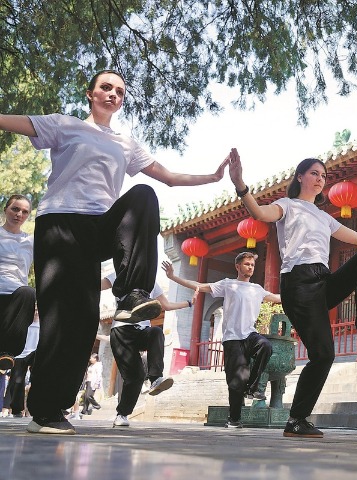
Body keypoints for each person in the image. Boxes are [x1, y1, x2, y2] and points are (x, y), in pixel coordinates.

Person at [0, 69, 232, 435]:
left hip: (98, 227)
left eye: (119, 91)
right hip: (60, 224)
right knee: (71, 320)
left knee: (143, 196)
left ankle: (134, 293)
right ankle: (45, 410)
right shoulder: (64, 125)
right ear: (91, 93)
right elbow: (14, 122)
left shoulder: (126, 143)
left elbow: (168, 177)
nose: (113, 94)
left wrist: (213, 177)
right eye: (105, 88)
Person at [228, 150, 357, 438]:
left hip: (322, 282)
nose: (320, 179)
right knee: (324, 355)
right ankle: (296, 420)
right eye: (314, 173)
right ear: (300, 177)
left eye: (323, 175)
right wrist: (240, 184)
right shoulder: (287, 205)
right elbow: (259, 213)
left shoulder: (325, 218)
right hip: (298, 285)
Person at [162, 251, 281, 429]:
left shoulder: (257, 289)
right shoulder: (228, 284)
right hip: (232, 338)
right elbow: (199, 286)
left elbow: (279, 299)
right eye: (247, 264)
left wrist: (306, 292)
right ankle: (234, 419)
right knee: (236, 380)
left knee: (265, 345)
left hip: (250, 335)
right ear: (238, 266)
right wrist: (173, 277)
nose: (250, 267)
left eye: (252, 265)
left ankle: (253, 387)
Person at [98, 270, 190, 427]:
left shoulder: (151, 282)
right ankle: (122, 414)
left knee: (156, 331)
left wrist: (189, 303)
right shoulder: (122, 275)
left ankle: (155, 379)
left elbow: (166, 305)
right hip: (122, 331)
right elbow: (98, 285)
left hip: (141, 330)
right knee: (136, 376)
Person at [0, 195, 35, 372]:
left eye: (24, 212)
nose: (19, 214)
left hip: (17, 297)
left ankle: (7, 355)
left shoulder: (31, 241)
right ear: (6, 209)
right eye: (15, 209)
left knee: (29, 292)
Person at [2, 310, 39, 418]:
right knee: (16, 380)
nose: (36, 313)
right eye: (34, 310)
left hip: (37, 352)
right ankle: (17, 409)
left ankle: (36, 408)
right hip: (21, 353)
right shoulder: (24, 319)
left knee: (38, 380)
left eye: (37, 310)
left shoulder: (44, 322)